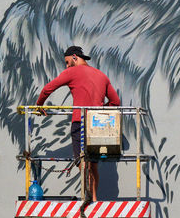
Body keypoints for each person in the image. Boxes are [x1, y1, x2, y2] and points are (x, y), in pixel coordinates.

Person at [35, 45, 121, 202]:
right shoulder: (101, 75)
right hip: (98, 125)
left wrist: (39, 105)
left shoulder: (71, 72)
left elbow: (48, 88)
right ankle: (94, 198)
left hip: (80, 123)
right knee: (93, 164)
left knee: (83, 163)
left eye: (67, 62)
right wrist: (99, 110)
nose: (67, 66)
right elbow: (115, 101)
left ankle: (87, 199)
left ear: (74, 57)